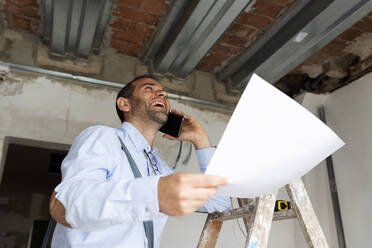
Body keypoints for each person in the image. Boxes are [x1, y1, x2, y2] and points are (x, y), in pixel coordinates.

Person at [49, 75, 230, 247]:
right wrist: (152, 194)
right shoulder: (104, 137)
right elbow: (65, 205)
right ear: (124, 104)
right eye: (149, 89)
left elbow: (219, 204)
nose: (162, 94)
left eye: (164, 94)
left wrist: (201, 139)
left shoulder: (161, 169)